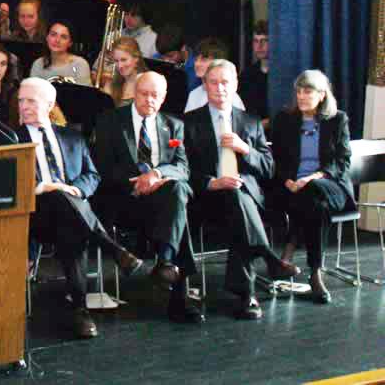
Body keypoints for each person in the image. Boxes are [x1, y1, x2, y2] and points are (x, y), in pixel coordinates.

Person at [17, 78, 142, 339]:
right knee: (60, 200)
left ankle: (79, 309)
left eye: (31, 101)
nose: (24, 106)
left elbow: (92, 175)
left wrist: (77, 190)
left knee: (71, 226)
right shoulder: (9, 138)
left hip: (71, 215)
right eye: (21, 101)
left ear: (50, 104)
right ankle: (114, 250)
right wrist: (42, 188)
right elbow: (6, 181)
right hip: (33, 215)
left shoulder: (72, 136)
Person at [183, 60, 299, 320]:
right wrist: (213, 182)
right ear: (205, 85)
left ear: (235, 85)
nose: (220, 88)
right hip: (207, 198)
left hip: (245, 196)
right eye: (213, 82)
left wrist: (245, 149)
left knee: (238, 200)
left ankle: (250, 284)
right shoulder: (189, 122)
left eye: (225, 83)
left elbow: (269, 168)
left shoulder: (250, 121)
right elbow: (183, 169)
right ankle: (253, 284)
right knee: (238, 207)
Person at [92, 71, 203, 323]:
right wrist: (138, 180)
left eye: (155, 96)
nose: (149, 100)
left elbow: (183, 168)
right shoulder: (110, 121)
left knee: (178, 191)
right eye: (144, 94)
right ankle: (176, 290)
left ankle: (166, 264)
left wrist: (155, 174)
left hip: (162, 198)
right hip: (124, 199)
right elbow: (102, 167)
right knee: (178, 210)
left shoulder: (174, 126)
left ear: (163, 98)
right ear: (134, 93)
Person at [270, 70, 354, 304]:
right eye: (298, 91)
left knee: (312, 192)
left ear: (322, 94)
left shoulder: (337, 119)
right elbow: (276, 158)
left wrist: (314, 177)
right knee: (316, 207)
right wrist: (288, 179)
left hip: (330, 184)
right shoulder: (284, 120)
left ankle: (287, 253)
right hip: (292, 187)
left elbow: (342, 161)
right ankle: (316, 271)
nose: (301, 96)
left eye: (307, 91)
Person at [183, 38, 246, 112]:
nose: (197, 64)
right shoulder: (194, 94)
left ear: (218, 63)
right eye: (196, 59)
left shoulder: (229, 97)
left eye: (204, 60)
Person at [30, 20, 92, 85]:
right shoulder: (38, 64)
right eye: (53, 35)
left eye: (63, 37)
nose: (57, 40)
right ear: (47, 37)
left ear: (70, 43)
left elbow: (85, 94)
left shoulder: (80, 64)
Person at [239, 20, 270, 124]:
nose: (259, 46)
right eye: (256, 41)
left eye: (264, 40)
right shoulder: (247, 75)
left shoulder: (281, 75)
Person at [101, 37, 147, 106]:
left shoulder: (148, 84)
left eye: (124, 60)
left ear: (136, 58)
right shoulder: (110, 85)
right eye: (116, 61)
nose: (119, 66)